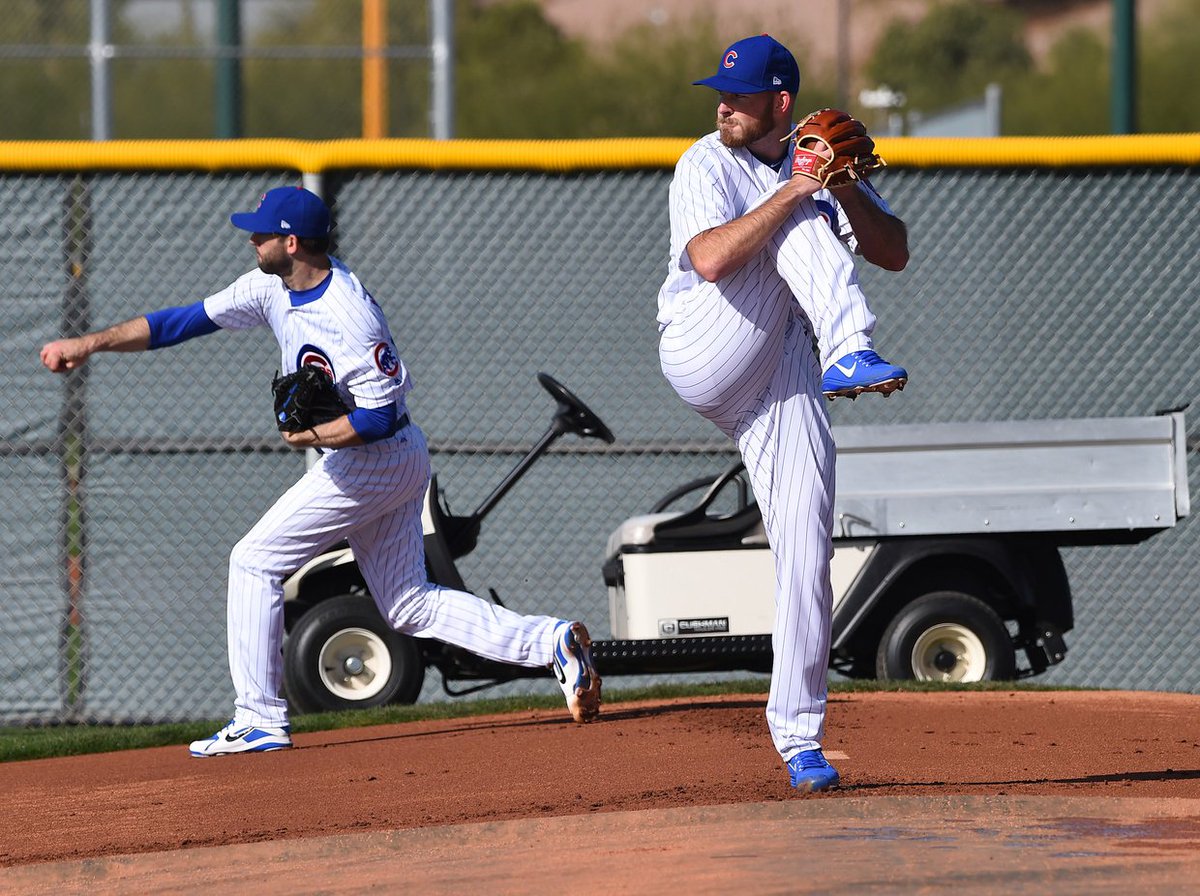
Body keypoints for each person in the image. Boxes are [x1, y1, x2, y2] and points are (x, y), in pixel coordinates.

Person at [40, 186, 602, 756]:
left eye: (261, 231)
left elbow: (379, 417)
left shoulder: (349, 313)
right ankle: (551, 641)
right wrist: (91, 343)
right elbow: (182, 321)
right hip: (384, 461)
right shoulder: (270, 287)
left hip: (375, 459)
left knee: (254, 560)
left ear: (291, 241)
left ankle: (258, 717)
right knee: (408, 603)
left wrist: (309, 435)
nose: (251, 238)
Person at [656, 34, 910, 791]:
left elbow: (894, 251)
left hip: (782, 367)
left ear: (782, 100)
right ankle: (852, 344)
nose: (724, 104)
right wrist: (804, 188)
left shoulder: (810, 155)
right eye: (719, 93)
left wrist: (848, 189)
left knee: (806, 549)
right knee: (798, 205)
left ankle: (800, 740)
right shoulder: (704, 160)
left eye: (738, 93)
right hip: (708, 341)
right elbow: (709, 260)